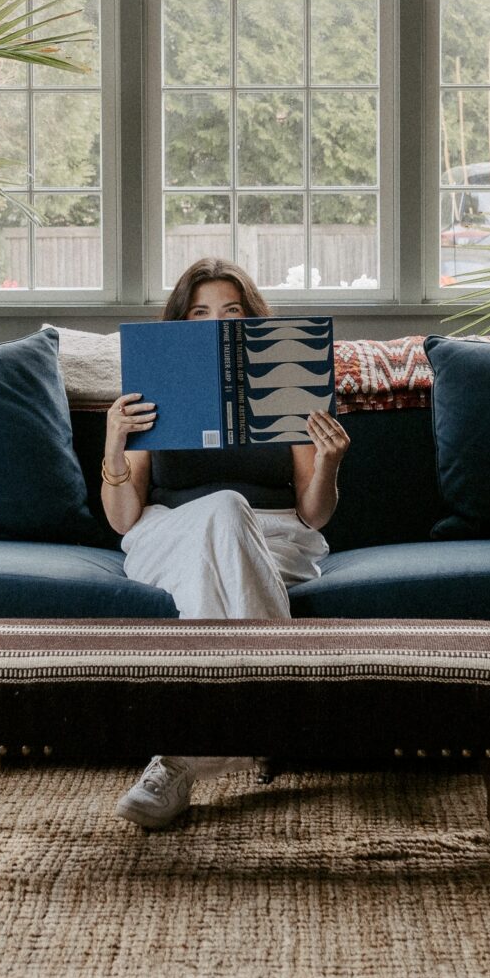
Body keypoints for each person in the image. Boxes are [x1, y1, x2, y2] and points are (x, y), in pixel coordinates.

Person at [100, 256, 350, 829]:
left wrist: (330, 464)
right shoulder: (155, 384)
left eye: (232, 312)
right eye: (201, 312)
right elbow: (122, 518)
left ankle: (179, 760)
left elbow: (315, 515)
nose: (217, 323)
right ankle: (271, 711)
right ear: (182, 322)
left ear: (251, 321)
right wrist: (114, 447)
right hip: (169, 532)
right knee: (221, 509)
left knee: (230, 516)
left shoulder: (286, 380)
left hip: (276, 535)